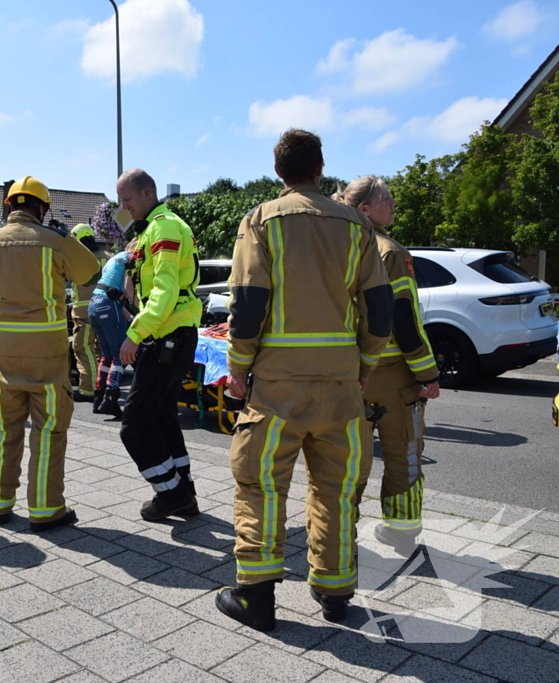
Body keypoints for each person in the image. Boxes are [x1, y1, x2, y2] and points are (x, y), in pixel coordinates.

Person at [214, 129, 394, 631]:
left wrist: (239, 369)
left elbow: (248, 304)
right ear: (320, 169)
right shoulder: (358, 225)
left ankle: (257, 598)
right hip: (340, 386)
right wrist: (365, 364)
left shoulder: (261, 221)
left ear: (279, 173)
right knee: (336, 491)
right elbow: (380, 310)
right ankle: (335, 595)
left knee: (262, 486)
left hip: (277, 385)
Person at [0, 176, 100, 531]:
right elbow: (91, 271)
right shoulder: (55, 241)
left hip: (3, 354)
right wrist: (65, 236)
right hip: (47, 354)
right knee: (48, 431)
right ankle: (45, 510)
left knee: (3, 429)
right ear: (42, 208)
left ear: (9, 206)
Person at [333, 176, 440, 555]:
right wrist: (427, 373)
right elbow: (405, 319)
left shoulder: (336, 245)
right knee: (403, 452)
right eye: (387, 200)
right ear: (364, 210)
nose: (394, 205)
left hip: (347, 373)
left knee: (348, 459)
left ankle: (340, 532)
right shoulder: (390, 252)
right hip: (391, 375)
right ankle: (401, 532)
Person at [114, 169, 202, 522]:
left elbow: (164, 293)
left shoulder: (163, 227)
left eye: (128, 200)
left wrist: (134, 334)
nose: (124, 208)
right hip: (173, 333)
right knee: (162, 415)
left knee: (134, 424)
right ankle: (184, 490)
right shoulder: (155, 228)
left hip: (167, 334)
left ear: (147, 193)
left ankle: (172, 493)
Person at [89, 245, 135, 417]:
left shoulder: (116, 257)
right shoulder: (131, 258)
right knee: (120, 354)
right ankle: (111, 398)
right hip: (109, 305)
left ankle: (99, 397)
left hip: (94, 303)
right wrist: (136, 310)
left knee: (106, 354)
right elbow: (127, 287)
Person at [69, 224, 110, 403]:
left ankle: (88, 389)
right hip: (106, 310)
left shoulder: (78, 259)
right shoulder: (108, 258)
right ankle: (105, 386)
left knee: (84, 348)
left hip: (84, 312)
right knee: (103, 350)